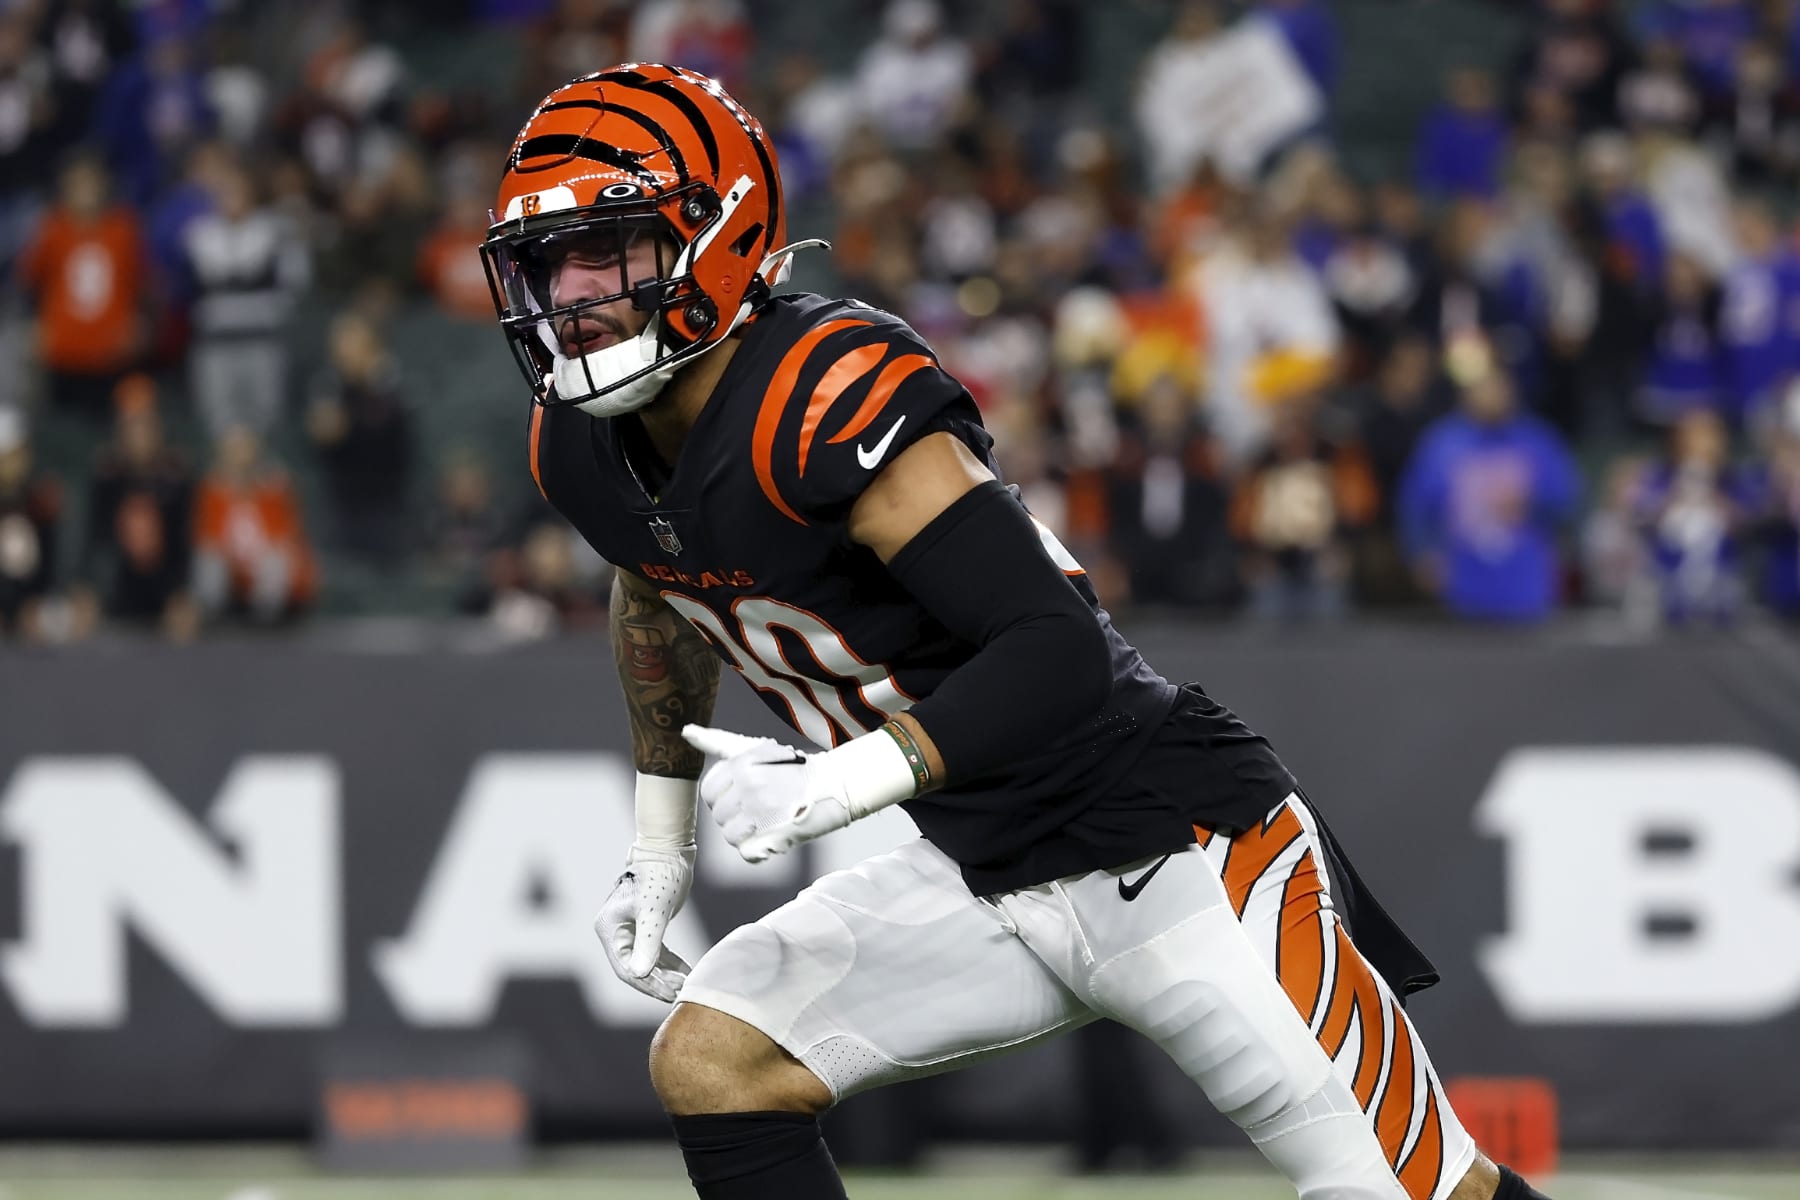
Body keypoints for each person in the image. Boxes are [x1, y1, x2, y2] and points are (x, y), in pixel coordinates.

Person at [481, 64, 1555, 1200]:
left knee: (1411, 1192)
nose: (574, 292)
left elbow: (1057, 651)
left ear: (717, 236)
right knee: (717, 1060)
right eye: (549, 261)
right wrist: (662, 838)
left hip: (1172, 842)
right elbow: (659, 581)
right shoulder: (580, 444)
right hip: (978, 861)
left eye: (608, 252)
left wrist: (849, 780)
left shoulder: (820, 389)